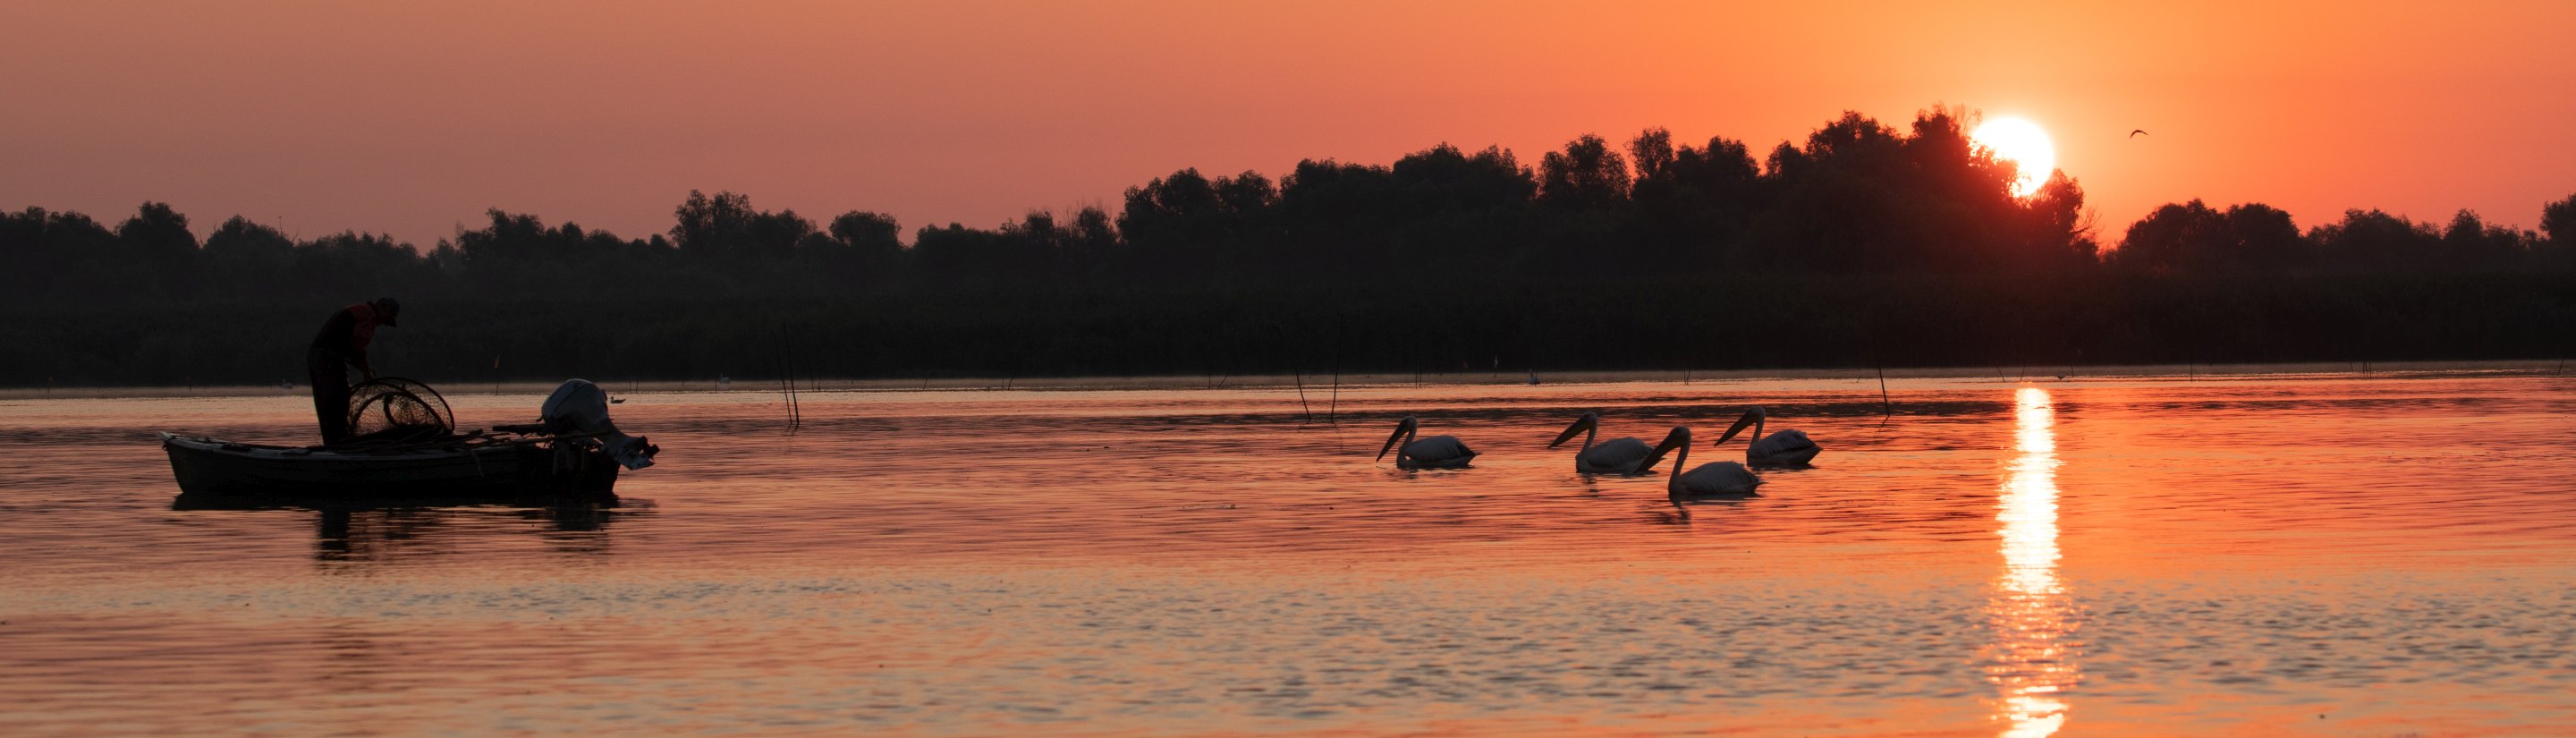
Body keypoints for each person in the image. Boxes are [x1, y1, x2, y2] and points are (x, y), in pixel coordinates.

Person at [308, 297, 400, 444]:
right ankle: (338, 444)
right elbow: (357, 347)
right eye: (387, 318)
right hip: (327, 358)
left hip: (319, 356)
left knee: (329, 402)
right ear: (383, 307)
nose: (383, 324)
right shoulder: (368, 316)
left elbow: (352, 352)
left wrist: (365, 370)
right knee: (338, 399)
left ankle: (333, 442)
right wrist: (367, 372)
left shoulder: (361, 311)